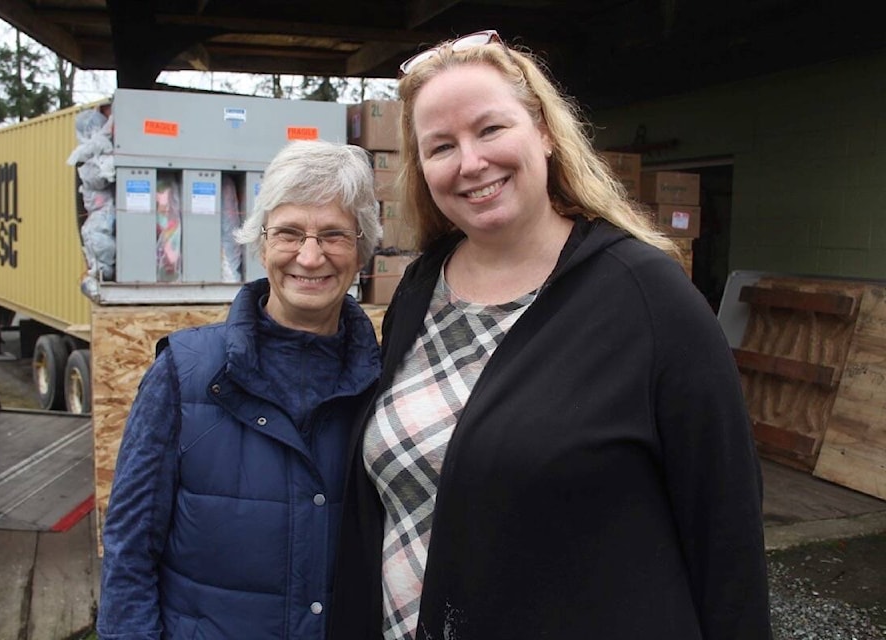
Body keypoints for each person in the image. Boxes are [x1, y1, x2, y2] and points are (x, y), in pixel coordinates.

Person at [327, 30, 772, 640]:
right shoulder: (418, 290)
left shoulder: (649, 298)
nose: (471, 162)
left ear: (543, 131)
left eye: (490, 129)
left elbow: (726, 535)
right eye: (441, 146)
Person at [97, 139, 382, 640]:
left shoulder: (385, 383)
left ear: (361, 250)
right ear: (260, 241)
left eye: (334, 234)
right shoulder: (184, 374)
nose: (310, 257)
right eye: (289, 232)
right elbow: (130, 548)